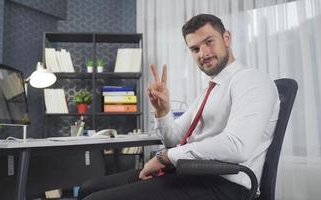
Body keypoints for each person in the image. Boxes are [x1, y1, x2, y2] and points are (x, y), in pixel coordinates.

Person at [78, 14, 280, 200]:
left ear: (226, 38)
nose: (203, 53)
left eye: (209, 42)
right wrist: (162, 110)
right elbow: (173, 140)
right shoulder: (209, 91)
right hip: (190, 174)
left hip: (225, 185)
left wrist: (166, 157)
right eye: (195, 49)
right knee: (89, 188)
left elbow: (237, 146)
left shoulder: (250, 80)